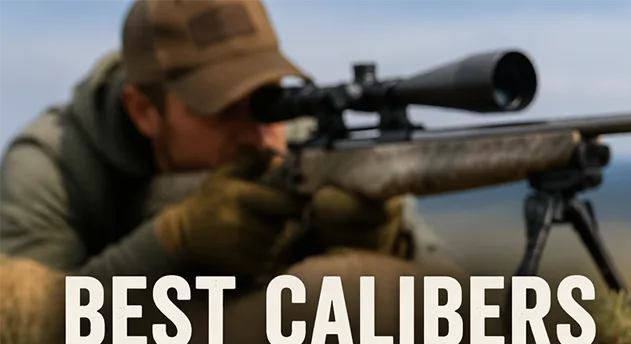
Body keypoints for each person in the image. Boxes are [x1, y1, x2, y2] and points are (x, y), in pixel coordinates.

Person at [0, 0, 448, 281]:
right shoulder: (52, 165)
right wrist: (174, 243)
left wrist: (386, 241)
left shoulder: (303, 140)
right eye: (222, 108)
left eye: (269, 100)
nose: (257, 135)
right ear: (143, 111)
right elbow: (26, 341)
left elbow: (455, 302)